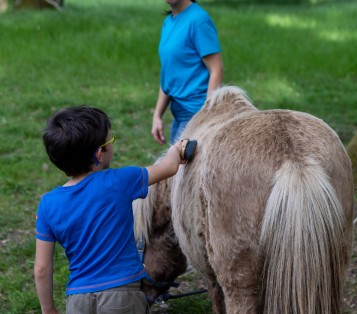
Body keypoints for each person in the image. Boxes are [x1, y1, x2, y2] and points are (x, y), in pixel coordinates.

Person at [34, 105, 186, 314]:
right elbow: (169, 168)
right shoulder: (120, 180)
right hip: (123, 296)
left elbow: (41, 268)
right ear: (99, 154)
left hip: (77, 300)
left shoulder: (47, 205)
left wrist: (48, 308)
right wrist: (176, 150)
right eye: (110, 140)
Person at [151, 0, 224, 145]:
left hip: (195, 114)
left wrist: (206, 114)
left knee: (174, 165)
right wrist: (157, 115)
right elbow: (168, 74)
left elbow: (216, 69)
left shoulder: (199, 20)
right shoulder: (168, 22)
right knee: (175, 166)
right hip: (179, 113)